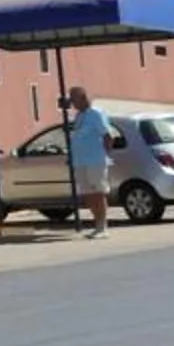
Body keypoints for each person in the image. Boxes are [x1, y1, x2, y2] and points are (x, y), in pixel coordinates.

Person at [67, 86, 116, 238]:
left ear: (83, 98)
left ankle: (103, 227)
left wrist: (104, 154)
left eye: (74, 99)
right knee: (88, 194)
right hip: (80, 161)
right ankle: (97, 225)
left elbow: (108, 135)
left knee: (98, 193)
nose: (72, 103)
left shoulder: (95, 113)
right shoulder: (79, 116)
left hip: (95, 160)